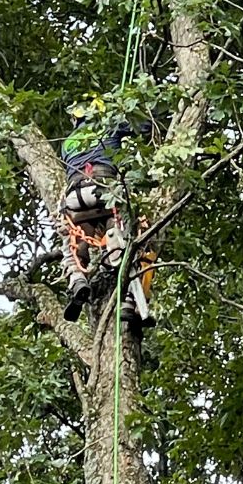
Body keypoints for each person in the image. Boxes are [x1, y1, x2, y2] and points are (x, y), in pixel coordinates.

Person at [58, 99, 154, 325]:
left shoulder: (67, 143)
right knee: (125, 236)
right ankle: (130, 300)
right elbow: (145, 128)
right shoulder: (109, 125)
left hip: (74, 196)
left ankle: (77, 279)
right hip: (104, 187)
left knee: (71, 242)